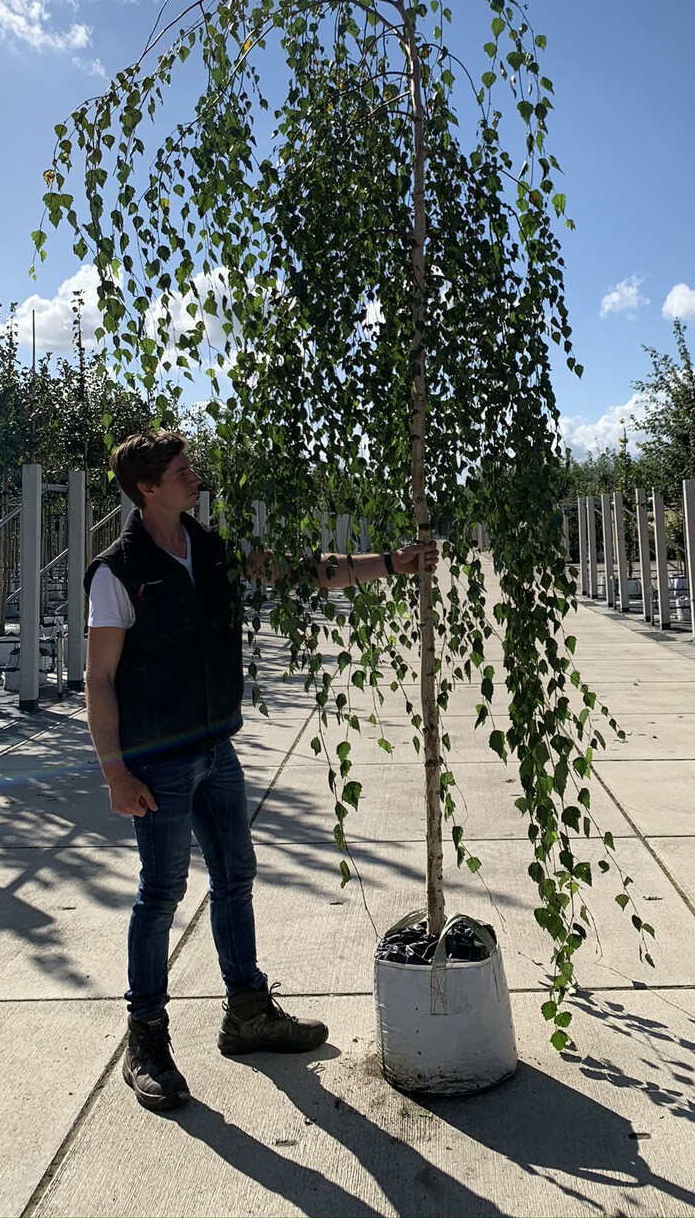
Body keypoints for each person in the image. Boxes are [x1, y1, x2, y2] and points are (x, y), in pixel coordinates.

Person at [84, 430, 438, 1112]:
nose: (194, 476)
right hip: (158, 761)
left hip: (217, 750)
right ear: (147, 488)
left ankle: (247, 1013)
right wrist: (114, 773)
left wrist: (392, 563)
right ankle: (146, 1038)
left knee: (235, 877)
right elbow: (99, 678)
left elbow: (305, 571)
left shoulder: (211, 549)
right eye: (181, 471)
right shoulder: (117, 572)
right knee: (161, 894)